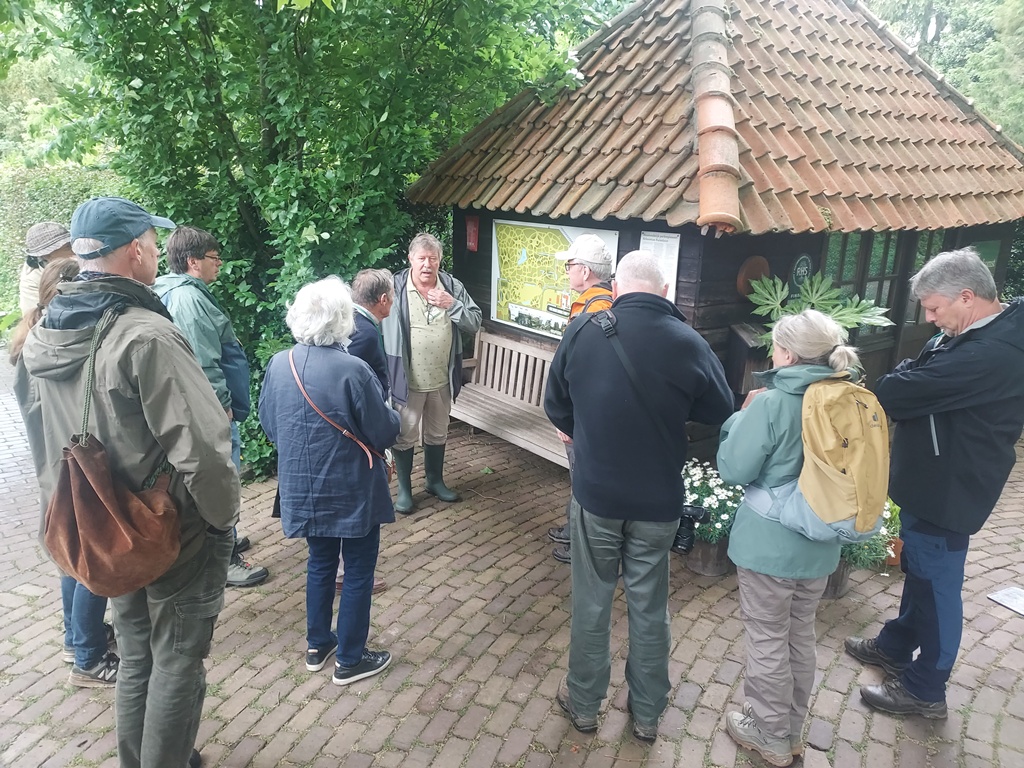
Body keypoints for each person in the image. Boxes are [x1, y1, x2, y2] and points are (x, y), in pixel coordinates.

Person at [14, 196, 239, 768]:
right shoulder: (146, 336)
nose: (157, 252)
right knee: (177, 659)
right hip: (169, 527)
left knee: (137, 654)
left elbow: (41, 442)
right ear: (136, 250)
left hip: (99, 525)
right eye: (153, 243)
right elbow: (204, 449)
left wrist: (67, 513)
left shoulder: (40, 334)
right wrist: (221, 521)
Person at [543, 250, 734, 742]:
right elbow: (720, 408)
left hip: (597, 495)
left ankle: (584, 705)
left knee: (592, 603)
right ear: (664, 291)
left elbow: (555, 405)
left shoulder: (582, 331)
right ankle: (647, 713)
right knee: (650, 608)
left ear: (616, 289)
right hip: (657, 500)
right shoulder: (687, 341)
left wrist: (585, 429)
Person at [845, 247, 1024, 719]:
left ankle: (926, 689)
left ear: (967, 297)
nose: (929, 320)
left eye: (933, 308)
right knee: (920, 572)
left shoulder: (991, 353)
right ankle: (896, 646)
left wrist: (910, 379)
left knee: (936, 586)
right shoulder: (972, 334)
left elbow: (895, 392)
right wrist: (914, 376)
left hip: (950, 488)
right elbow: (916, 373)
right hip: (934, 479)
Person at [717, 310, 861, 767]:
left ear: (789, 354)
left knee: (767, 638)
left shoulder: (772, 403)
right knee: (800, 634)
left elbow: (734, 468)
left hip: (769, 544)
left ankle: (770, 734)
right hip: (820, 541)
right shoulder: (847, 398)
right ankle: (791, 729)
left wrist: (739, 419)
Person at [259, 276, 400, 686]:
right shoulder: (353, 370)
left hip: (303, 485)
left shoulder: (279, 364)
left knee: (320, 563)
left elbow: (270, 424)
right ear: (342, 320)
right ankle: (351, 660)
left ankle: (318, 645)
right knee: (357, 569)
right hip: (352, 486)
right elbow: (384, 430)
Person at [10, 258, 120, 686]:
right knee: (93, 557)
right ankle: (89, 659)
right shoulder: (71, 344)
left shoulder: (31, 340)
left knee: (70, 555)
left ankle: (76, 639)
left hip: (50, 468)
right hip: (76, 467)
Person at [153, 226, 268, 588]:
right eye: (214, 258)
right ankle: (225, 561)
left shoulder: (175, 291)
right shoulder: (187, 300)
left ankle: (226, 541)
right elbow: (203, 363)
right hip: (210, 411)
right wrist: (222, 407)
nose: (219, 264)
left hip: (199, 409)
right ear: (193, 261)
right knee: (220, 483)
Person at [382, 232, 482, 514]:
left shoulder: (452, 286)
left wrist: (452, 304)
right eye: (422, 258)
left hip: (442, 378)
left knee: (438, 433)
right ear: (410, 259)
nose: (427, 264)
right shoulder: (394, 287)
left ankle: (434, 481)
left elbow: (474, 322)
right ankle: (404, 490)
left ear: (440, 260)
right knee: (405, 435)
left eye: (433, 259)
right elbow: (372, 319)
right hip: (406, 380)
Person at [547, 234, 615, 564]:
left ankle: (582, 544)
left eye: (570, 265)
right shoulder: (599, 303)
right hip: (588, 414)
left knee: (584, 478)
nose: (567, 271)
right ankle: (574, 528)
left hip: (583, 418)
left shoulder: (596, 309)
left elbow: (585, 372)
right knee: (580, 476)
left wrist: (569, 419)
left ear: (585, 271)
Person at [337, 267, 395, 596]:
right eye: (392, 297)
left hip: (354, 427)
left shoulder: (353, 321)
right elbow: (353, 384)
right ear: (383, 299)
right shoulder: (364, 332)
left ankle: (342, 568)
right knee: (360, 502)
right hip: (358, 431)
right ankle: (348, 572)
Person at [18, 221, 74, 317]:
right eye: (67, 247)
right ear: (47, 256)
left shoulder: (78, 258)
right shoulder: (32, 281)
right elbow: (34, 319)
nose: (74, 250)